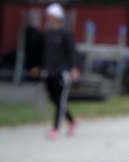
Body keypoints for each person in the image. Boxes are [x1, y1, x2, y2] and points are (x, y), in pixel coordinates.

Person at [41, 3, 79, 140]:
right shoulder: (47, 34)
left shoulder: (65, 33)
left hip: (62, 72)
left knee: (61, 100)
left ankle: (55, 129)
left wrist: (73, 68)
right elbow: (44, 54)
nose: (49, 18)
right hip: (49, 72)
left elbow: (71, 52)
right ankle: (72, 121)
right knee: (54, 99)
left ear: (57, 17)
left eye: (51, 16)